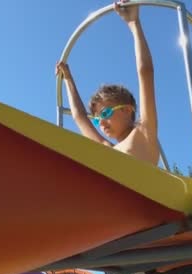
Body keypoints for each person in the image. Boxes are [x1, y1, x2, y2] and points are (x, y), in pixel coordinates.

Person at [56, 0, 159, 166]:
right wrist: (68, 78)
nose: (101, 123)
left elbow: (145, 72)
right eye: (97, 120)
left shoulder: (144, 132)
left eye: (105, 114)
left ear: (127, 110)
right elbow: (79, 117)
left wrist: (134, 24)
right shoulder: (109, 149)